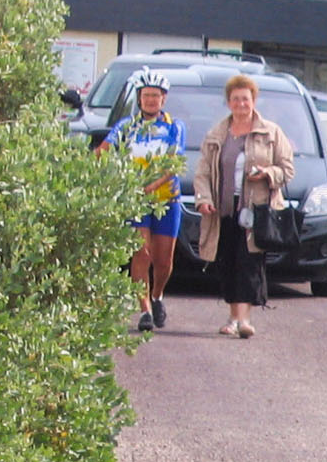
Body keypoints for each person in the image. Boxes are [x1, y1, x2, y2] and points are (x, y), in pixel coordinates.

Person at [194, 73, 296, 338]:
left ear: (254, 101)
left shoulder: (271, 132)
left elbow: (287, 170)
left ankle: (244, 320)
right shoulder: (217, 134)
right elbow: (202, 172)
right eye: (236, 99)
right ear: (228, 102)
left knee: (249, 263)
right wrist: (203, 199)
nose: (241, 104)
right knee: (227, 262)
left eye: (245, 99)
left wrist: (266, 173)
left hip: (257, 211)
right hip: (224, 209)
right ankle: (233, 318)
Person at [103, 68, 187, 333]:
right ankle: (144, 311)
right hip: (135, 200)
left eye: (156, 96)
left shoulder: (175, 126)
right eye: (146, 95)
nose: (151, 100)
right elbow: (102, 151)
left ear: (163, 99)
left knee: (163, 261)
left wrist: (153, 185)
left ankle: (158, 295)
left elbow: (174, 163)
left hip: (167, 200)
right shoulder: (126, 126)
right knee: (142, 253)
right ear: (139, 99)